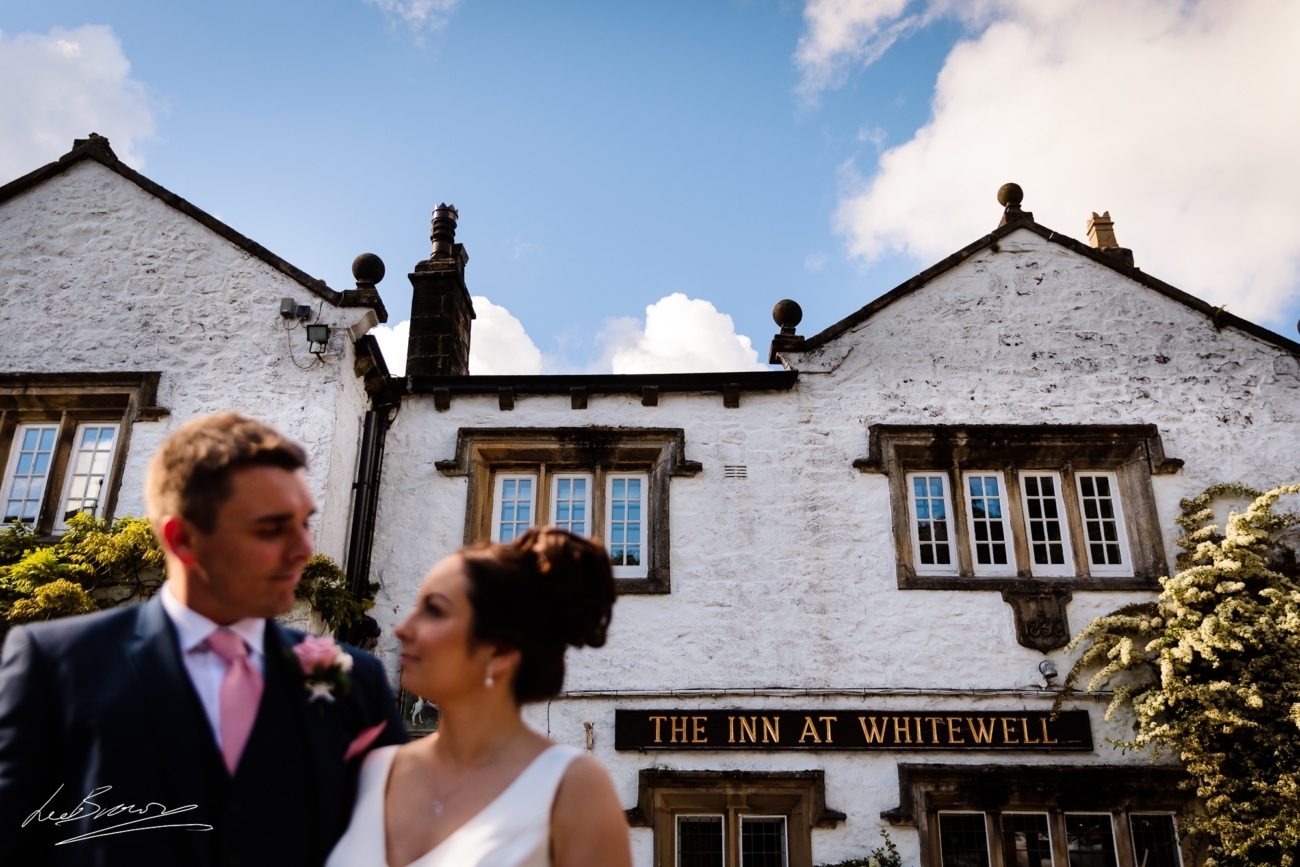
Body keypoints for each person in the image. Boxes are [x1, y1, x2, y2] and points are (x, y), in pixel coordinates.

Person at [0, 412, 407, 867]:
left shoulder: (356, 679)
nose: (303, 550)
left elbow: (395, 843)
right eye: (270, 528)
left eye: (304, 523)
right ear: (183, 538)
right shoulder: (56, 665)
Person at [326, 527, 632, 867]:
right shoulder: (374, 772)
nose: (402, 628)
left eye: (434, 611)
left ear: (498, 651)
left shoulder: (572, 789)